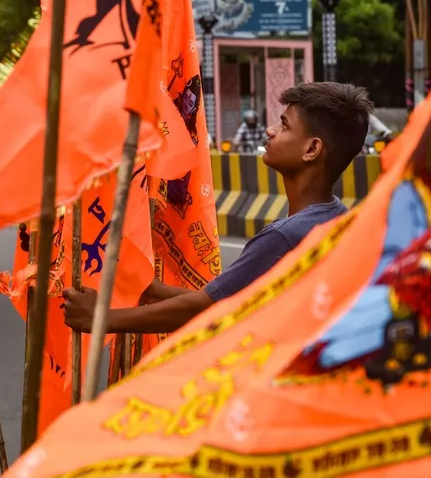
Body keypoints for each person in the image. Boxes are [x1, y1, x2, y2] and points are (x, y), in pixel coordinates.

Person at [62, 82, 373, 334]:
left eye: (284, 125)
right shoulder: (334, 217)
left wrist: (101, 320)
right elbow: (232, 298)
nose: (270, 131)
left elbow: (207, 308)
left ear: (312, 149)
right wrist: (150, 291)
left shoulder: (285, 237)